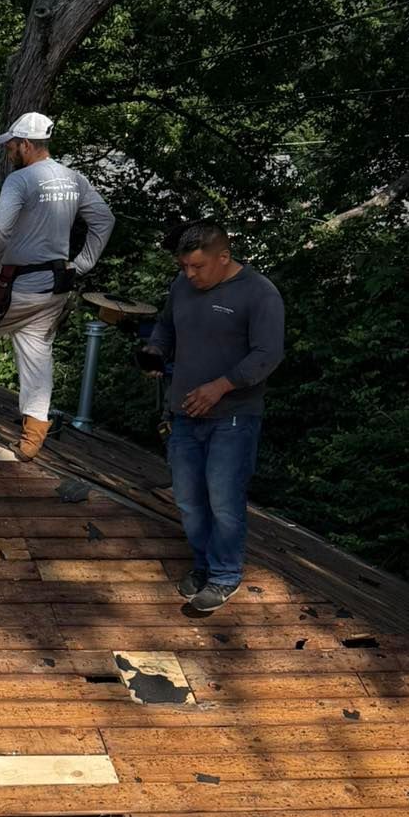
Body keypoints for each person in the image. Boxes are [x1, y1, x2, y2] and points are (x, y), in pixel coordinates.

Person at [0, 111, 115, 457]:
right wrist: (81, 265)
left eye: (11, 146)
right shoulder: (73, 179)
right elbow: (105, 220)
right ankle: (33, 437)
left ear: (25, 145)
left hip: (16, 287)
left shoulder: (20, 181)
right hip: (54, 289)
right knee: (37, 353)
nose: (8, 152)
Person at [137, 223, 285, 615]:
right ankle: (202, 565)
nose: (190, 274)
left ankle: (224, 575)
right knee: (188, 498)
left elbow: (268, 354)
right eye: (184, 266)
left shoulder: (259, 293)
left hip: (233, 417)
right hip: (184, 412)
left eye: (198, 267)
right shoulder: (181, 286)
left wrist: (220, 386)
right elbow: (166, 327)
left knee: (223, 498)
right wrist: (155, 351)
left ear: (224, 257)